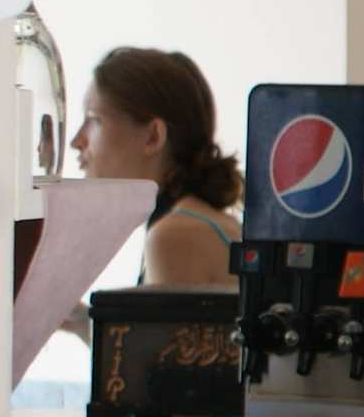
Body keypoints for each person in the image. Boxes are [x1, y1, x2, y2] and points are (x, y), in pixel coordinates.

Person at [71, 46, 242, 286]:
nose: (76, 141)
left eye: (94, 120)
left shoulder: (176, 236)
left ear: (153, 137)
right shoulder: (200, 223)